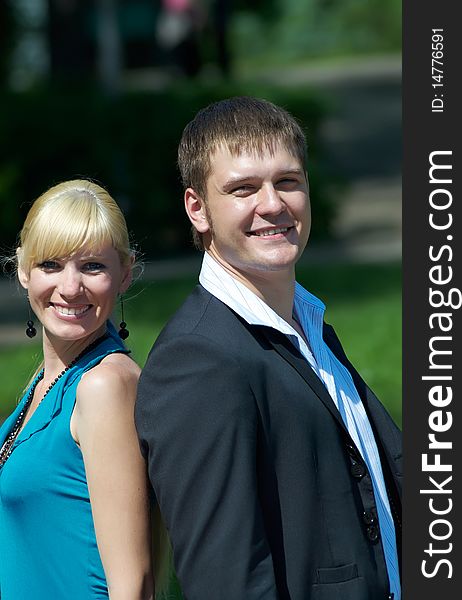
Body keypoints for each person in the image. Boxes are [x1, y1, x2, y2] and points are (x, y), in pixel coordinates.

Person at [135, 97, 402, 599]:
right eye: (242, 189)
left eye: (287, 181)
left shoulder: (309, 325)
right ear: (197, 209)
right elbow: (225, 580)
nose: (273, 204)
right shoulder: (196, 361)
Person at [0, 180, 155, 599]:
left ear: (125, 273)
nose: (70, 288)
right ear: (22, 270)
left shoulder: (105, 385)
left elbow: (133, 585)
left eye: (92, 267)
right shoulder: (45, 382)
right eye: (50, 264)